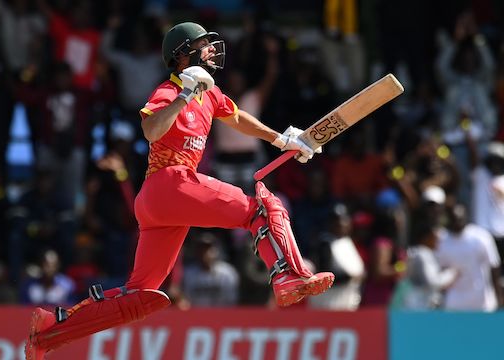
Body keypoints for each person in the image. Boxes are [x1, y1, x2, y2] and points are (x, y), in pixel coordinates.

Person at [25, 22, 334, 359]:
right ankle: (289, 275)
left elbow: (239, 118)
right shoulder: (170, 91)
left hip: (163, 202)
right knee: (261, 208)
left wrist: (282, 139)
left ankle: (48, 333)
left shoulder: (211, 93)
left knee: (142, 295)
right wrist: (185, 94)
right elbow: (152, 130)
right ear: (183, 55)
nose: (214, 50)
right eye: (205, 45)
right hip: (170, 184)